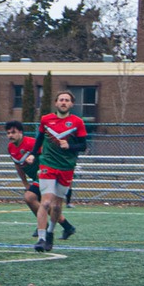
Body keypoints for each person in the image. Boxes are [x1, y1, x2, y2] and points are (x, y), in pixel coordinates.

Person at [31, 91, 86, 252]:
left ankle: (50, 233)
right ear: (56, 103)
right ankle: (41, 238)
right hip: (47, 164)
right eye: (61, 99)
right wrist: (33, 155)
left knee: (56, 206)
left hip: (66, 166)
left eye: (67, 100)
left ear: (71, 104)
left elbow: (83, 146)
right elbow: (39, 139)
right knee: (46, 202)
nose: (63, 102)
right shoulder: (46, 120)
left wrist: (69, 146)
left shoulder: (77, 122)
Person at [5, 120, 45, 221]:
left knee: (30, 198)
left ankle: (44, 225)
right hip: (35, 178)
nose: (10, 135)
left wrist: (39, 167)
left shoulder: (31, 143)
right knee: (39, 202)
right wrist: (25, 183)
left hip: (45, 175)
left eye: (13, 132)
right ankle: (65, 227)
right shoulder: (10, 147)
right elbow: (18, 166)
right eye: (8, 133)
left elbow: (47, 156)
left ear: (21, 132)